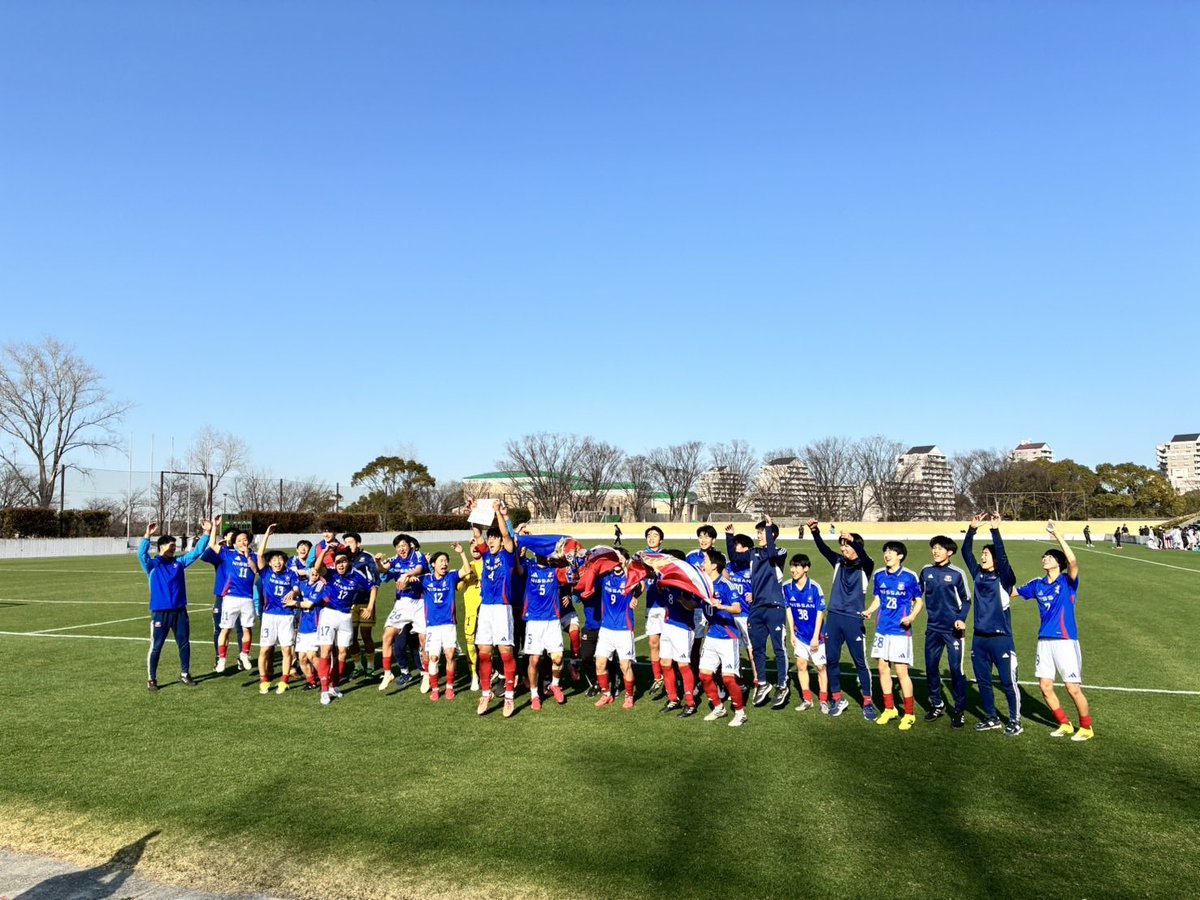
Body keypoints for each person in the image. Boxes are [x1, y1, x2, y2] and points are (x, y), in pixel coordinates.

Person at [1013, 521, 1093, 741]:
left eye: (1049, 556)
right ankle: (1064, 724)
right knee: (1045, 686)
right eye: (1044, 556)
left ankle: (1086, 727)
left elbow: (1073, 561)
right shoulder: (1037, 584)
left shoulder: (1068, 581)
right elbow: (1012, 592)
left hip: (1065, 640)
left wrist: (1057, 534)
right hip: (1044, 640)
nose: (1044, 559)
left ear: (1058, 563)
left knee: (1072, 688)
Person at [807, 520, 876, 719]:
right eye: (842, 544)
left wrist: (852, 540)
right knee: (832, 660)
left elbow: (863, 556)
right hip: (834, 617)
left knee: (860, 662)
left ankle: (868, 702)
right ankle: (837, 698)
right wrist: (815, 532)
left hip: (853, 620)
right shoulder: (838, 561)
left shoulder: (866, 565)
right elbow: (823, 549)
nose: (843, 547)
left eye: (847, 545)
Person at [962, 514, 1021, 736]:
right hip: (979, 638)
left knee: (1007, 682)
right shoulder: (977, 574)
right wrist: (972, 529)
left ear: (994, 559)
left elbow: (1003, 558)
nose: (982, 556)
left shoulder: (1004, 578)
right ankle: (991, 717)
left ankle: (1015, 720)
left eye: (986, 554)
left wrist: (995, 531)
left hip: (1001, 639)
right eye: (982, 553)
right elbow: (966, 552)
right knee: (983, 682)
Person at [138, 517, 213, 691]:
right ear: (161, 547)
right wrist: (147, 536)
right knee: (156, 646)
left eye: (174, 546)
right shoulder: (152, 565)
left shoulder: (179, 563)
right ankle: (152, 678)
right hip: (160, 612)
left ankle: (185, 674)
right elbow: (141, 555)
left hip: (180, 612)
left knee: (184, 643)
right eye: (169, 546)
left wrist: (207, 533)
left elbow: (197, 552)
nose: (173, 549)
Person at [728, 515, 790, 710]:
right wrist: (729, 537)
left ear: (772, 534)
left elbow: (771, 555)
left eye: (762, 532)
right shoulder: (753, 553)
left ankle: (782, 684)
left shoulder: (780, 551)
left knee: (779, 648)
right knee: (758, 649)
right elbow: (735, 557)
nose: (759, 535)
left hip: (775, 607)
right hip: (756, 608)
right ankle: (762, 683)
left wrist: (770, 530)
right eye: (759, 532)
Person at [864, 541, 923, 730]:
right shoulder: (879, 575)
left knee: (901, 671)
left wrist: (912, 616)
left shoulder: (909, 576)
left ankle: (909, 713)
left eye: (891, 552)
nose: (887, 555)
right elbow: (878, 598)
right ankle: (889, 709)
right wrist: (870, 611)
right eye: (885, 552)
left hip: (900, 631)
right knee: (882, 668)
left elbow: (919, 601)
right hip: (882, 629)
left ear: (900, 556)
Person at [920, 536, 972, 728]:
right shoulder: (926, 571)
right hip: (933, 628)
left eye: (940, 548)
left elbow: (967, 600)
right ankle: (937, 704)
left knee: (956, 670)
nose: (935, 551)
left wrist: (961, 618)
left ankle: (959, 710)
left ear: (949, 552)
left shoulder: (957, 574)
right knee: (931, 667)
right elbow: (917, 595)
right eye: (934, 547)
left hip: (953, 630)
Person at [475, 500, 519, 717]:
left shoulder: (508, 555)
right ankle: (486, 693)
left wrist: (498, 513)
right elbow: (476, 535)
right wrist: (474, 512)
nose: (490, 541)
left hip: (502, 608)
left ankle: (509, 697)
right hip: (486, 608)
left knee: (505, 652)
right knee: (484, 653)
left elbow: (507, 535)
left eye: (494, 538)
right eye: (490, 538)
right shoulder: (485, 555)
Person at [696, 549, 748, 727]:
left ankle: (740, 712)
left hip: (728, 636)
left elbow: (737, 608)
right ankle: (719, 707)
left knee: (728, 678)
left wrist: (721, 606)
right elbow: (693, 603)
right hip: (711, 635)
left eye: (705, 560)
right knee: (704, 675)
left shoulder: (726, 585)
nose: (703, 563)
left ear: (714, 565)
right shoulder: (703, 585)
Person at [207, 527, 270, 673]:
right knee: (226, 629)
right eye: (239, 540)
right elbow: (212, 544)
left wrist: (249, 557)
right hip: (230, 597)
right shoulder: (228, 554)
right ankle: (222, 658)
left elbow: (256, 570)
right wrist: (215, 527)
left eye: (245, 540)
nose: (242, 542)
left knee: (247, 628)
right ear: (234, 543)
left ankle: (244, 654)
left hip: (247, 598)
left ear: (249, 542)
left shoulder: (253, 556)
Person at [316, 550, 375, 706]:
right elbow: (317, 568)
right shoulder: (330, 573)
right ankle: (323, 691)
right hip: (329, 614)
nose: (340, 565)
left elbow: (373, 587)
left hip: (346, 616)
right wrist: (324, 552)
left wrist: (369, 607)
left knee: (342, 653)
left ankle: (334, 686)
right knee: (326, 650)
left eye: (343, 561)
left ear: (348, 562)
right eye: (337, 562)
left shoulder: (357, 575)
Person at [377, 534, 428, 691]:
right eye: (398, 546)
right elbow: (383, 569)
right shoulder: (395, 560)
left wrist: (408, 575)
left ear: (410, 545)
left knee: (423, 640)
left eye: (403, 545)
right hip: (402, 603)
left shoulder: (418, 555)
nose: (401, 549)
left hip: (420, 602)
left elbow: (419, 569)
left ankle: (426, 674)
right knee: (387, 636)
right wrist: (377, 561)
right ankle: (387, 673)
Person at [593, 548, 642, 709]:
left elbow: (641, 585)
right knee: (600, 663)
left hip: (624, 629)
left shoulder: (629, 578)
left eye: (621, 558)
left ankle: (629, 696)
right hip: (606, 628)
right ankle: (606, 694)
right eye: (615, 558)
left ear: (625, 561)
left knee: (624, 665)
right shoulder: (605, 577)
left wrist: (635, 597)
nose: (618, 561)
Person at [422, 545, 472, 702]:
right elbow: (409, 581)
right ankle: (435, 688)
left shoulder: (450, 577)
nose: (444, 564)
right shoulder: (425, 580)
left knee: (450, 655)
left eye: (446, 561)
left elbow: (467, 570)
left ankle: (450, 687)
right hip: (432, 625)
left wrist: (462, 553)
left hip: (449, 623)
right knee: (434, 658)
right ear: (434, 564)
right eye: (441, 561)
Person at [520, 549, 567, 710]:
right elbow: (517, 567)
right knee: (534, 660)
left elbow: (570, 573)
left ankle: (554, 685)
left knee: (558, 658)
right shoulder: (528, 567)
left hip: (552, 620)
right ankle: (534, 695)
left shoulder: (555, 570)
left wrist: (562, 556)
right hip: (534, 621)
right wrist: (521, 549)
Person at [783, 553, 828, 713]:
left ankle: (823, 700)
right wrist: (792, 633)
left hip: (816, 636)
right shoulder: (787, 587)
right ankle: (807, 699)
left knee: (821, 667)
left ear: (806, 568)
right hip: (799, 635)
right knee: (801, 665)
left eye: (797, 566)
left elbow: (820, 612)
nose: (793, 570)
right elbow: (788, 610)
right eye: (792, 566)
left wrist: (816, 637)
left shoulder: (815, 587)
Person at [257, 539, 301, 694]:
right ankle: (264, 681)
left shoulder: (291, 574)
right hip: (269, 616)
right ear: (269, 563)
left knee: (286, 650)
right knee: (265, 650)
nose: (277, 562)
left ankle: (284, 681)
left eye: (280, 559)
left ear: (285, 562)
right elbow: (260, 554)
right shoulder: (265, 573)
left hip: (286, 616)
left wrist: (293, 593)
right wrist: (268, 534)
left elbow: (296, 588)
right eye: (274, 560)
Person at [342, 532, 380, 676]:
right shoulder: (344, 558)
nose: (347, 545)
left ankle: (370, 665)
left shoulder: (367, 557)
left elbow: (375, 583)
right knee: (351, 637)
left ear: (358, 543)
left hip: (365, 602)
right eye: (345, 542)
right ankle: (358, 666)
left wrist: (370, 606)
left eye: (350, 542)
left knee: (366, 635)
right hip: (349, 604)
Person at [643, 526, 669, 699]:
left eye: (655, 535)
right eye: (649, 535)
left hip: (667, 606)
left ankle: (669, 678)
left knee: (667, 645)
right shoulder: (641, 558)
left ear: (661, 540)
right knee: (653, 642)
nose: (652, 538)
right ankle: (657, 677)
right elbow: (640, 582)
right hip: (651, 606)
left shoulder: (667, 558)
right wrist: (634, 595)